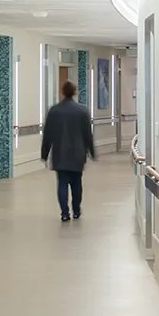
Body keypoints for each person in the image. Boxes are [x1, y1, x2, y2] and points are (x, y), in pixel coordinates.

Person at [40, 78, 96, 223]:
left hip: (60, 153)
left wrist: (44, 154)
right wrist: (91, 151)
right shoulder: (82, 111)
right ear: (75, 92)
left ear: (62, 92)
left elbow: (48, 134)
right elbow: (87, 134)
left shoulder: (54, 111)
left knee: (62, 183)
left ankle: (64, 213)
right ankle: (76, 210)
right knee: (77, 183)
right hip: (78, 154)